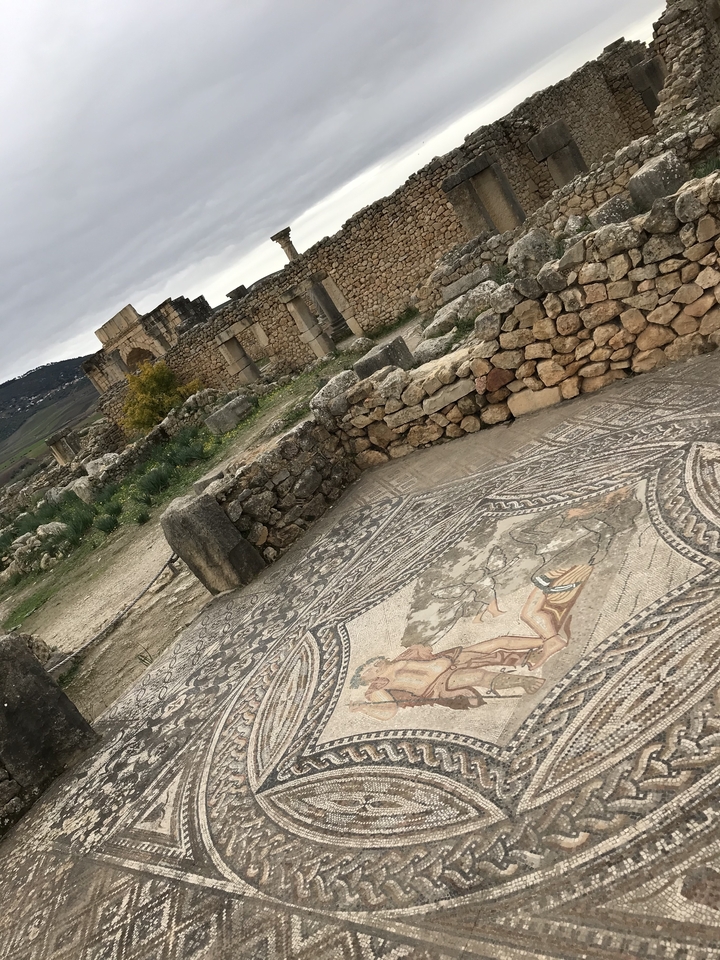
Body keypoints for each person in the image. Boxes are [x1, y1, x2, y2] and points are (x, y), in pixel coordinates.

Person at [348, 564, 592, 721]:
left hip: (451, 658)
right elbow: (388, 711)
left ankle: (544, 641)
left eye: (370, 664)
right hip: (438, 682)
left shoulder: (401, 658)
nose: (372, 666)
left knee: (498, 642)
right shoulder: (377, 688)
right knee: (479, 677)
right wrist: (363, 708)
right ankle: (524, 681)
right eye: (367, 669)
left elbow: (426, 647)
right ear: (366, 677)